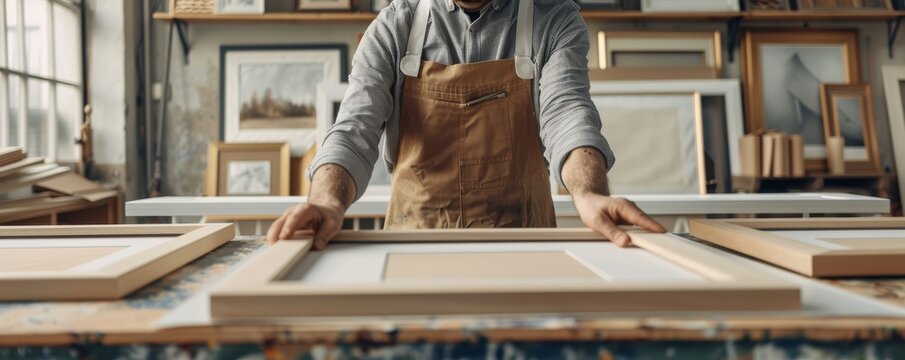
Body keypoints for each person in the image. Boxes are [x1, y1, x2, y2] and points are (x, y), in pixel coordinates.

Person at [267, 0, 666, 248]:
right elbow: (354, 130)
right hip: (412, 244)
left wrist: (589, 194)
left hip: (527, 244)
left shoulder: (555, 20)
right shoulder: (394, 26)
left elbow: (568, 113)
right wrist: (326, 201)